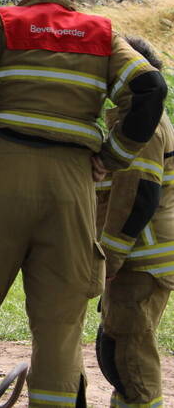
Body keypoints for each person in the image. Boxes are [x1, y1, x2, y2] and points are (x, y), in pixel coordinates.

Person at [0, 0, 167, 408]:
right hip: (72, 185)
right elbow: (150, 87)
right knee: (60, 326)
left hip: (0, 174)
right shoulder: (101, 33)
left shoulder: (4, 22)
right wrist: (111, 157)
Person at [94, 36, 174, 408]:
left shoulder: (146, 124)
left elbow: (139, 195)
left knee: (129, 358)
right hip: (138, 257)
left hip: (140, 260)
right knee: (118, 352)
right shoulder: (135, 120)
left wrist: (108, 259)